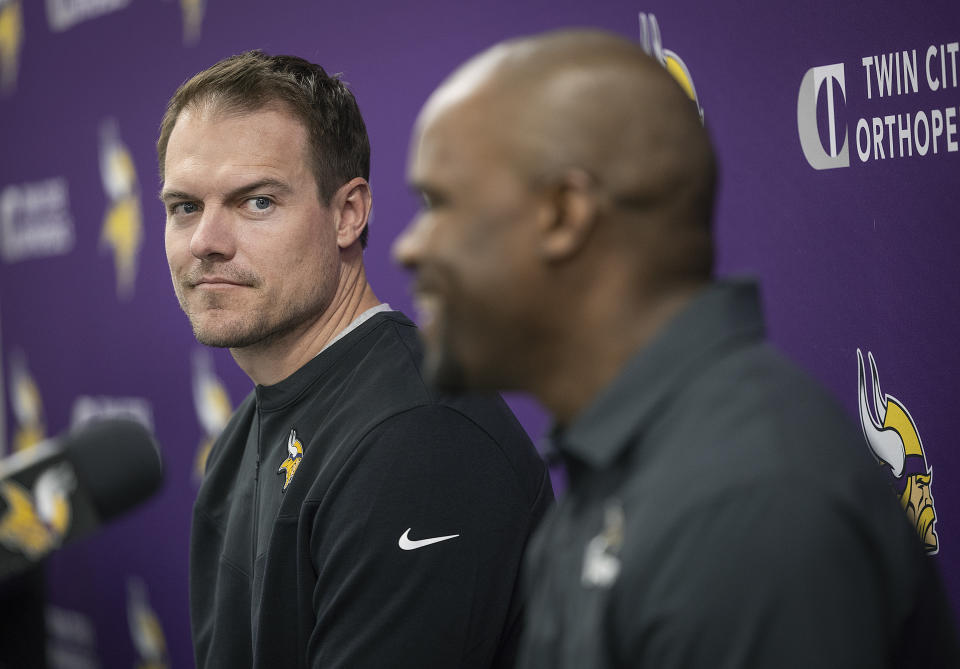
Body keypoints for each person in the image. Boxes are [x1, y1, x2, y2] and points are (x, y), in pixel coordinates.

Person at [393, 29, 960, 668]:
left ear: (562, 215)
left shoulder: (743, 505)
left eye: (437, 204)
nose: (409, 247)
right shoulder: (632, 468)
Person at [157, 51, 553, 668]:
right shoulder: (247, 429)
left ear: (348, 214)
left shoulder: (418, 438)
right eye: (185, 206)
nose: (206, 241)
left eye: (256, 202)